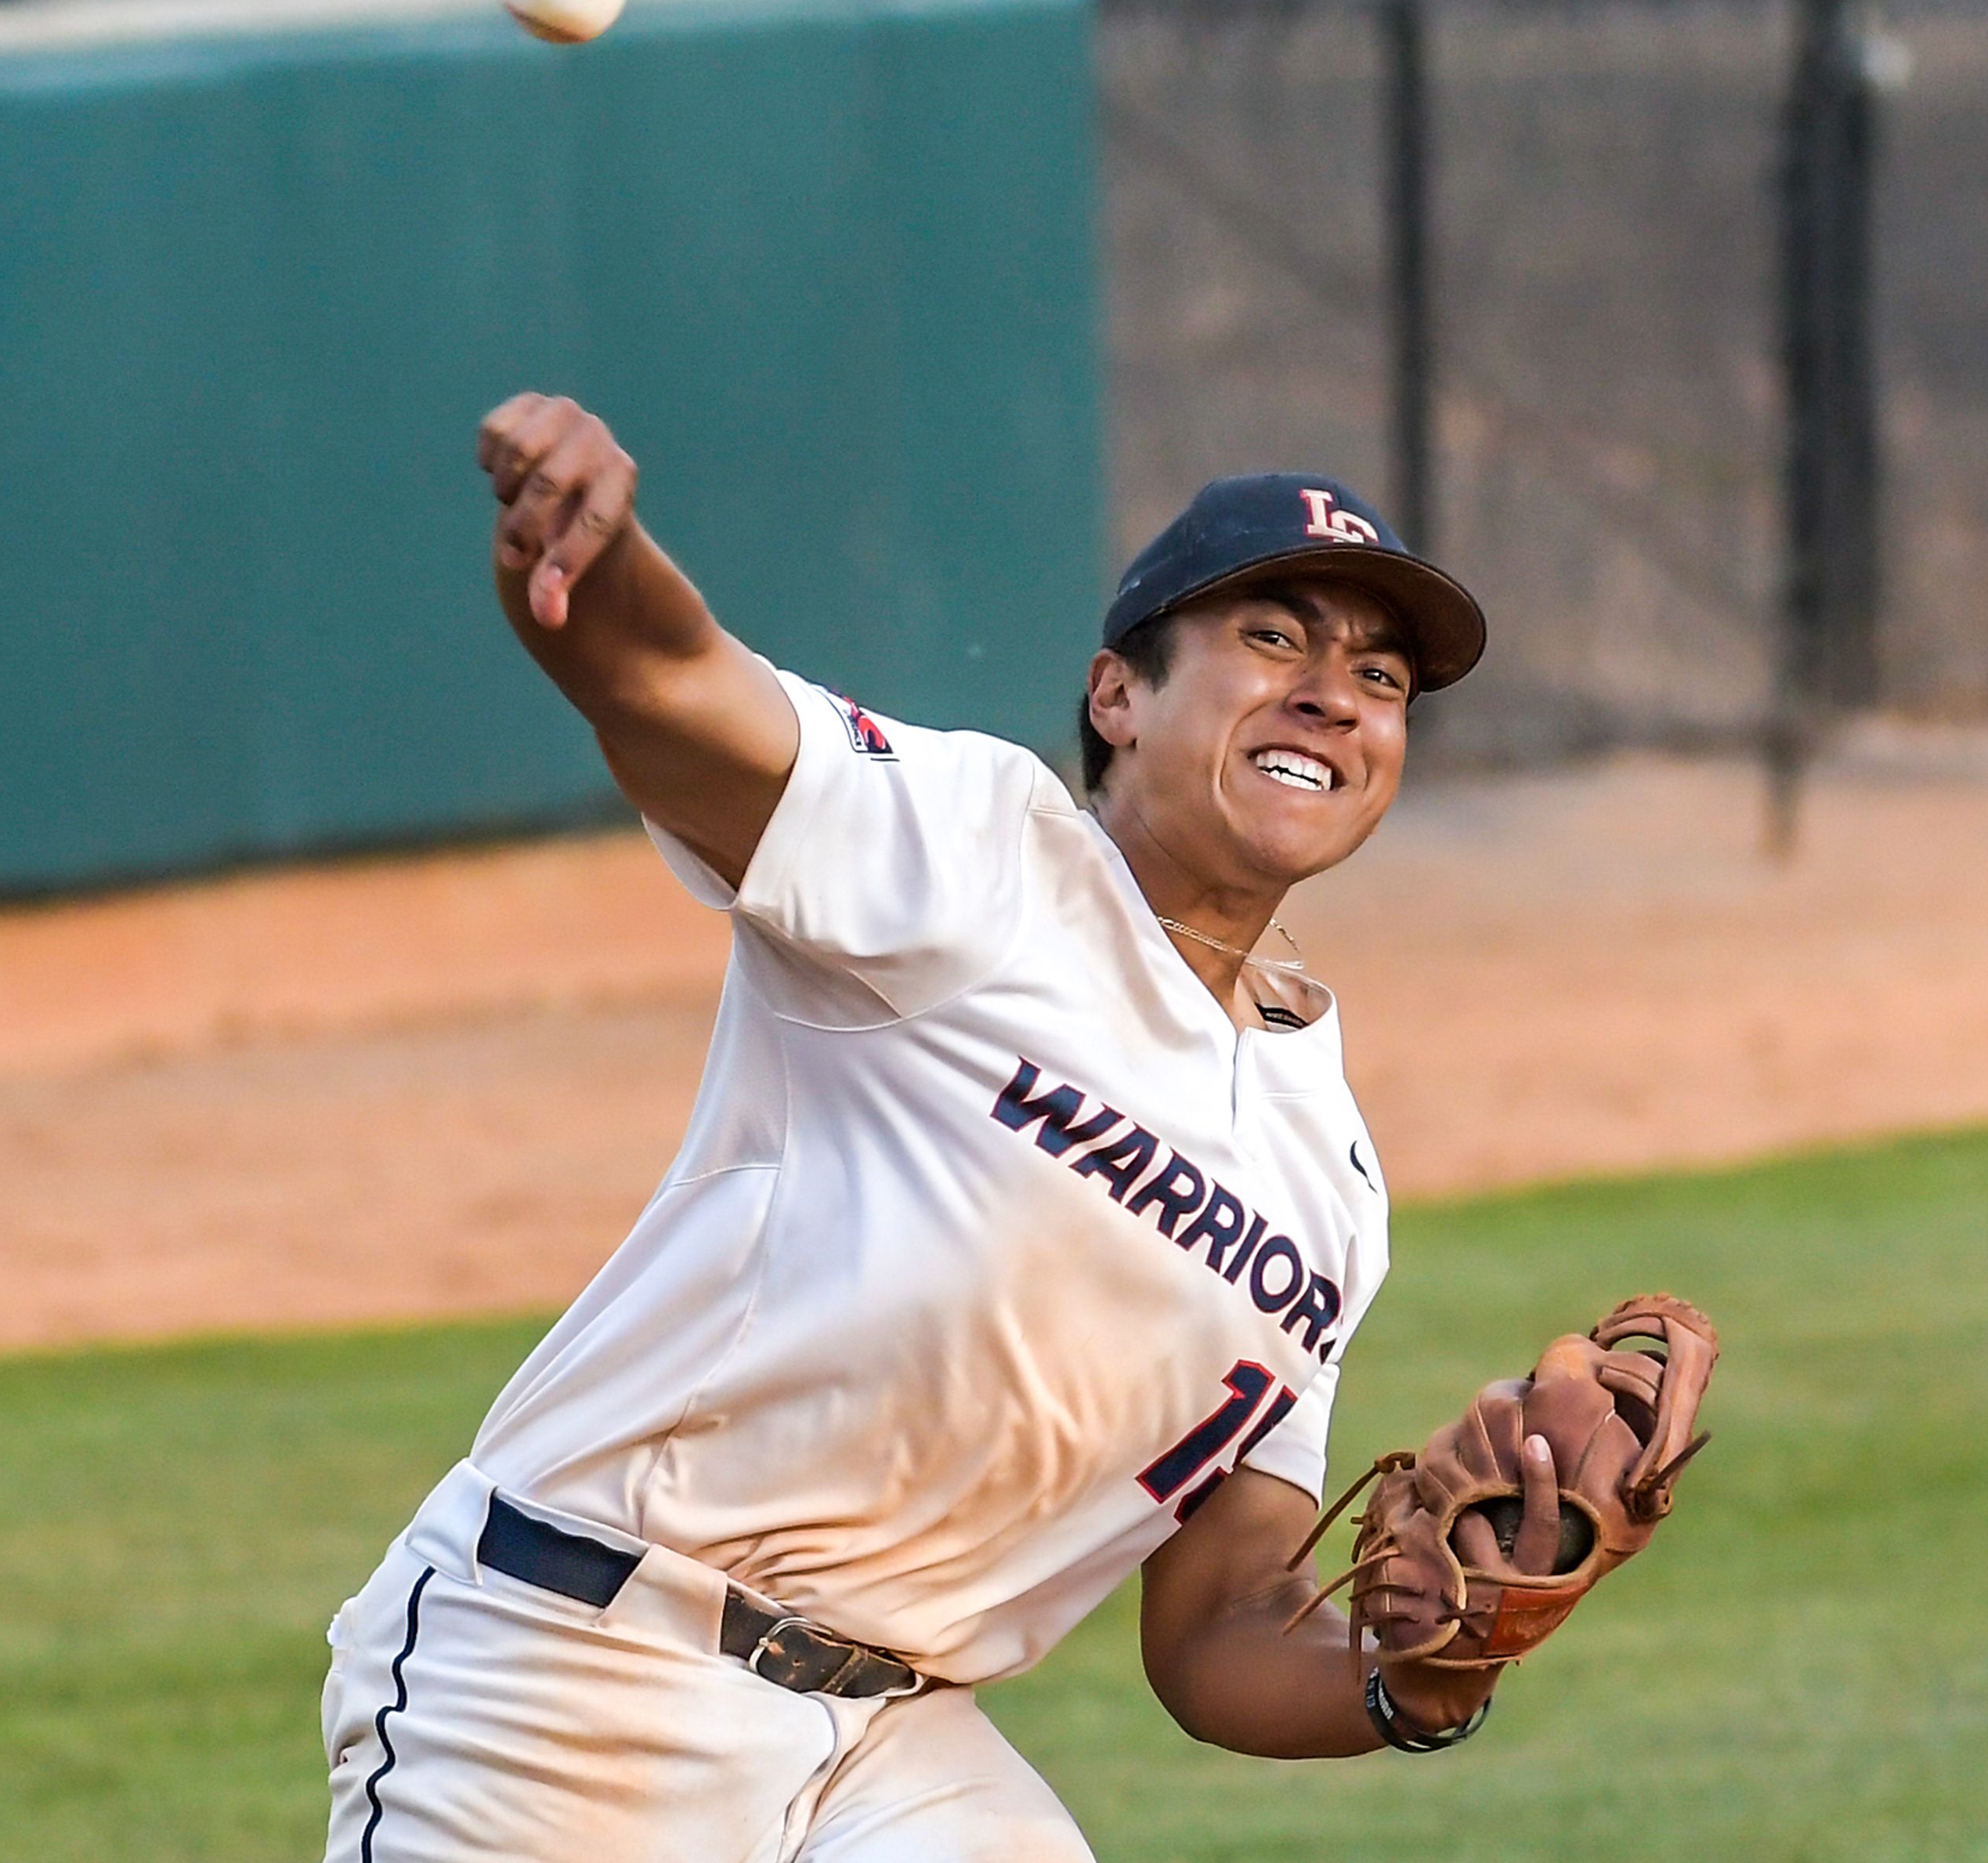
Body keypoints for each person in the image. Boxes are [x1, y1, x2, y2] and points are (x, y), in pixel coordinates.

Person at [319, 392, 1495, 1863]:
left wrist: (1420, 1677)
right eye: (1273, 639)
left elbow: (1220, 1625)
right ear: (1117, 696)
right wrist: (593, 561)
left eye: (1379, 675)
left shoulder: (1330, 1175)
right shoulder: (974, 852)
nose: (1333, 694)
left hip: (894, 1744)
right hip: (579, 1660)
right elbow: (673, 686)